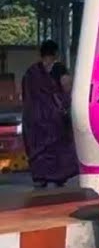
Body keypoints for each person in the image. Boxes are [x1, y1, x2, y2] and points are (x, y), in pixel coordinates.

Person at [20, 40, 78, 189]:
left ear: (41, 54)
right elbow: (66, 85)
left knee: (38, 147)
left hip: (33, 117)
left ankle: (41, 176)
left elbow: (26, 95)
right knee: (58, 146)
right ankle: (58, 176)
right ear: (56, 53)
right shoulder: (58, 68)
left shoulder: (31, 72)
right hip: (53, 116)